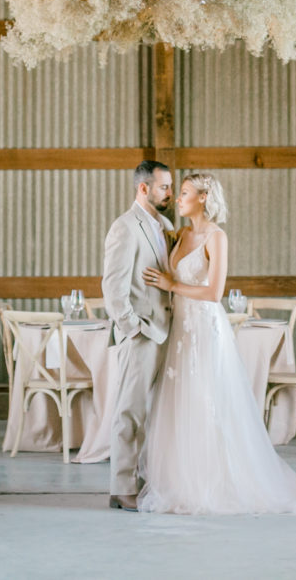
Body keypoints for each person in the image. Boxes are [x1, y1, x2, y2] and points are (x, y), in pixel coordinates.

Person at [137, 172, 296, 515]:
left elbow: (213, 292)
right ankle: (182, 482)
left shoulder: (216, 237)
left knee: (208, 402)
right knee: (181, 403)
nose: (178, 198)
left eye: (186, 192)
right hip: (180, 331)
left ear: (204, 197)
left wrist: (169, 284)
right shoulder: (181, 235)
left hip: (205, 329)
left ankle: (215, 484)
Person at [100, 160, 174, 512]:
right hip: (142, 333)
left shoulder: (166, 225)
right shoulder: (124, 227)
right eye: (164, 187)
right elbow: (113, 288)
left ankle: (144, 477)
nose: (170, 193)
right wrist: (132, 330)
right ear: (143, 188)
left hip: (167, 333)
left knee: (153, 413)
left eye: (171, 187)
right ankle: (121, 487)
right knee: (129, 411)